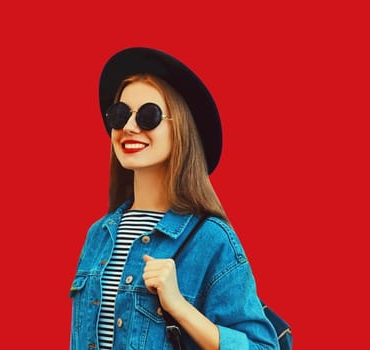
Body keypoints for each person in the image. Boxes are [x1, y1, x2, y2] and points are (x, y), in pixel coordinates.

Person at [69, 47, 279, 350]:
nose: (129, 127)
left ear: (179, 126)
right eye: (120, 114)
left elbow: (262, 347)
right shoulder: (98, 235)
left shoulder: (211, 239)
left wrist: (179, 305)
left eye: (148, 115)